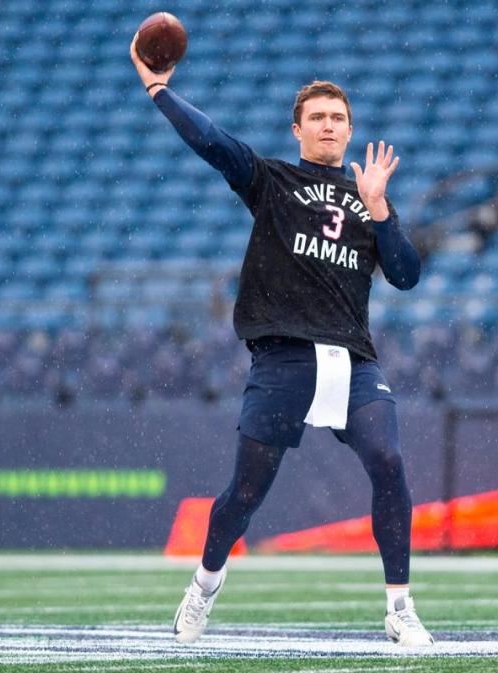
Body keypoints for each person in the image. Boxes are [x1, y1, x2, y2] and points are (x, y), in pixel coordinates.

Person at [130, 35, 434, 648]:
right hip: (284, 354)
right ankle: (204, 586)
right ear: (297, 129)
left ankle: (399, 607)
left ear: (350, 131)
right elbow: (213, 144)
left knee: (390, 461)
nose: (329, 126)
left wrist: (380, 210)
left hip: (352, 359)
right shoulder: (271, 179)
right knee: (246, 492)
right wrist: (159, 90)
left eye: (339, 118)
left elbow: (406, 275)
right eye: (318, 117)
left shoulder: (366, 197)